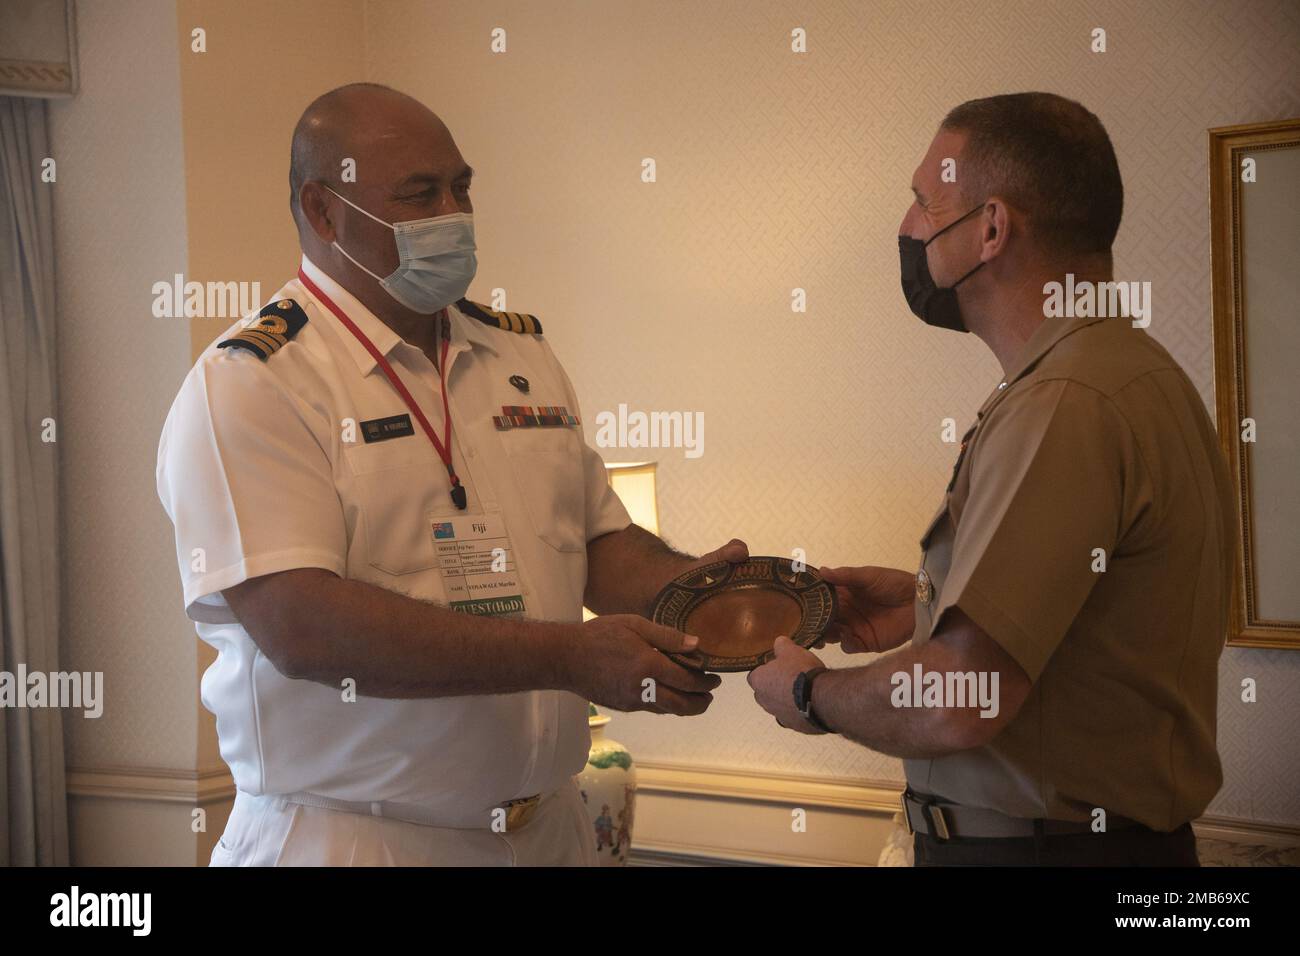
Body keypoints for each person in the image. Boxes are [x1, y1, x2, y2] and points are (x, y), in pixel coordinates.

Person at [157, 83, 744, 866]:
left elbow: (599, 546)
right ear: (323, 210)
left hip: (550, 830)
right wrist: (568, 655)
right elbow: (303, 626)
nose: (454, 215)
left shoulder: (518, 355)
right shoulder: (254, 382)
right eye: (419, 194)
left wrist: (738, 600)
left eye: (461, 186)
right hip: (361, 838)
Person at [749, 92, 1234, 867]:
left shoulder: (1063, 405)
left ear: (992, 228)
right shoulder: (1130, 376)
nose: (908, 228)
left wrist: (811, 695)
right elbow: (1086, 624)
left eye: (921, 201)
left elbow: (959, 697)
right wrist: (926, 601)